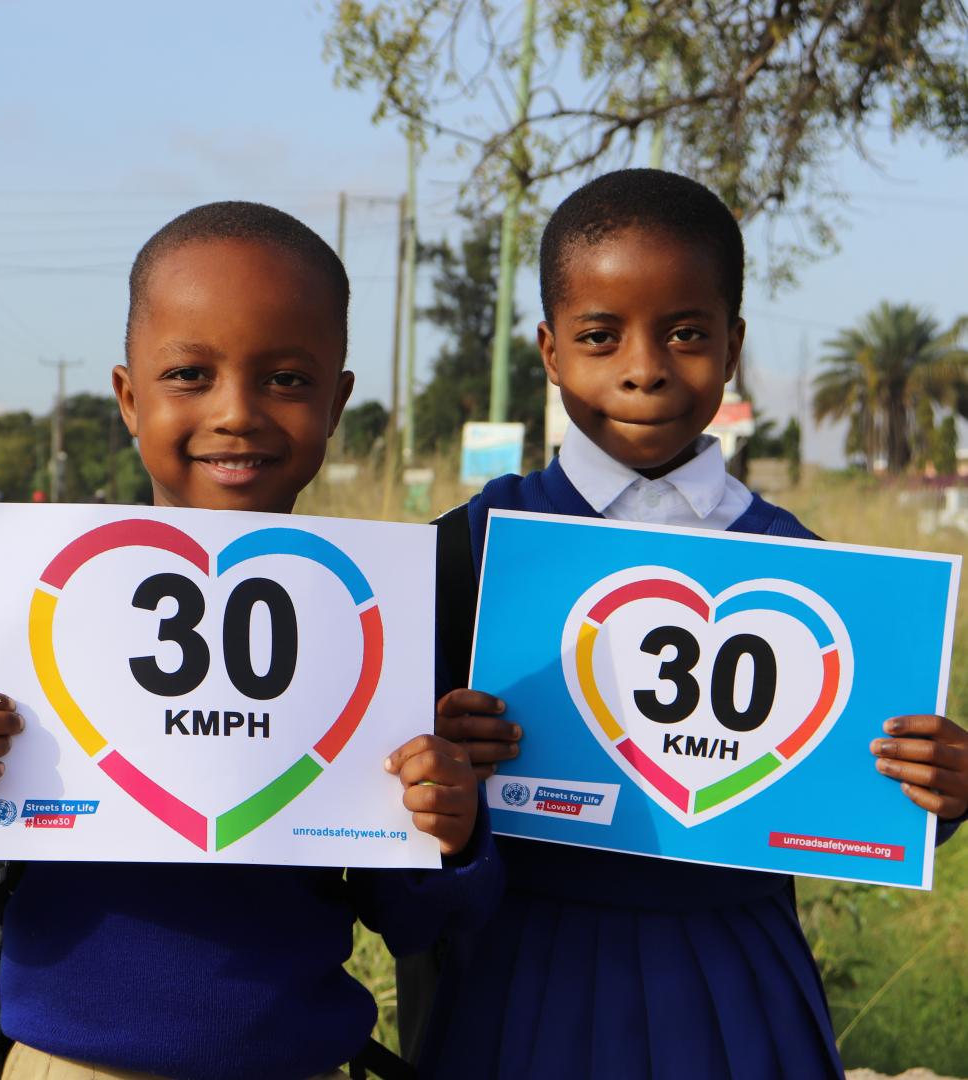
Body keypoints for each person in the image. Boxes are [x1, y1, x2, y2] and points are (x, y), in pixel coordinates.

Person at [0, 201, 502, 1080]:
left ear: (338, 402)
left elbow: (416, 915)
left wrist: (450, 832)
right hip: (69, 1066)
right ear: (128, 396)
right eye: (190, 374)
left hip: (297, 1064)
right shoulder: (38, 602)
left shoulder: (371, 623)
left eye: (287, 380)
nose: (236, 413)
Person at [410, 168, 968, 1079]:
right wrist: (439, 755)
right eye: (600, 336)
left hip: (734, 973)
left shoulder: (809, 573)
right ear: (549, 352)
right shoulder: (469, 548)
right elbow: (399, 795)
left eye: (686, 333)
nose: (644, 367)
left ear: (734, 344)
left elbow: (862, 795)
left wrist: (940, 787)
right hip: (522, 967)